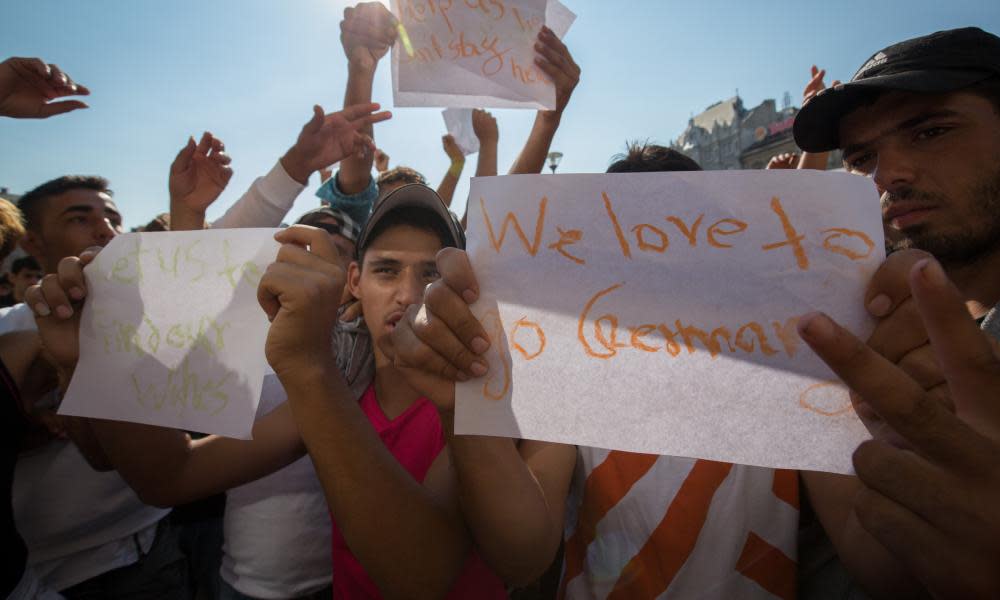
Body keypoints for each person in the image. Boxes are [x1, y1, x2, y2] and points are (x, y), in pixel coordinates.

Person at [386, 142, 807, 599]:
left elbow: (870, 543)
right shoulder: (579, 377)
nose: (658, 256)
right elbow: (523, 555)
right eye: (636, 238)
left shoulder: (786, 369)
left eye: (682, 231)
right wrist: (461, 406)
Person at [789, 26, 1000, 598]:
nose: (886, 175)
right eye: (861, 158)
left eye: (931, 131)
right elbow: (875, 559)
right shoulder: (854, 332)